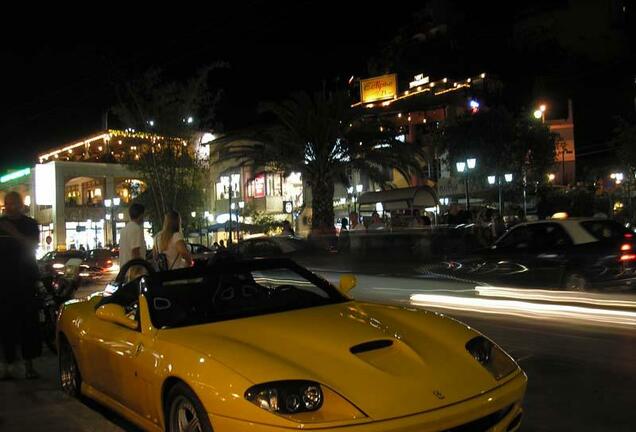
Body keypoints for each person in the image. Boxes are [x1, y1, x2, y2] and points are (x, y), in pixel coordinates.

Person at [0, 192, 41, 379]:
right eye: (7, 204)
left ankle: (29, 364)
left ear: (21, 204)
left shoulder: (30, 224)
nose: (10, 207)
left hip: (26, 279)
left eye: (14, 203)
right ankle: (8, 365)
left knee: (28, 323)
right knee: (6, 323)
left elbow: (32, 246)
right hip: (4, 282)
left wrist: (14, 233)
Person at [118, 203, 146, 268]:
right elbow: (135, 252)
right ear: (141, 215)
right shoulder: (136, 228)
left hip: (125, 269)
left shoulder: (124, 229)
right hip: (134, 272)